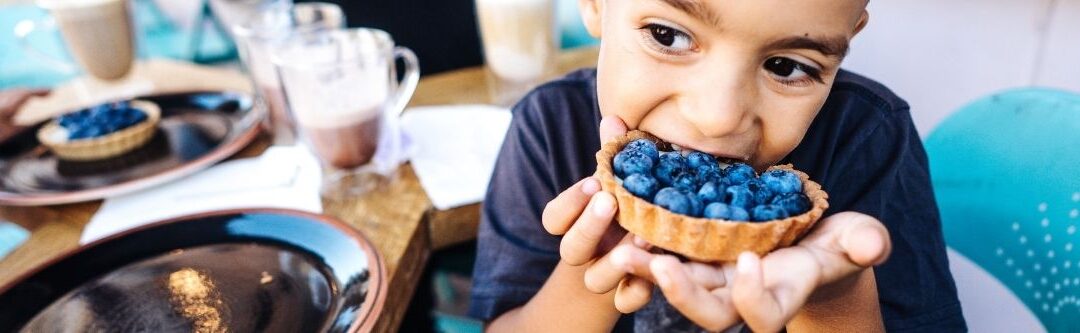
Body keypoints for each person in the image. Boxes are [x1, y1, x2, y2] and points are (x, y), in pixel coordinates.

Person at [469, 0, 966, 332]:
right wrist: (590, 274)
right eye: (667, 35)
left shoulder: (870, 137)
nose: (718, 118)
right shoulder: (547, 126)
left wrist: (834, 291)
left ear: (848, 36)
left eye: (787, 66)